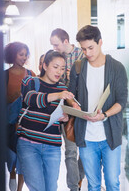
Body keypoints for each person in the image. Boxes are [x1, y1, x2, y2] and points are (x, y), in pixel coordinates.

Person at [68, 25, 128, 191]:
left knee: (112, 183)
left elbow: (122, 101)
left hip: (110, 136)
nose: (87, 53)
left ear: (100, 42)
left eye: (91, 48)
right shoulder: (78, 68)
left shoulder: (117, 68)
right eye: (83, 49)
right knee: (93, 185)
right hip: (86, 137)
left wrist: (105, 115)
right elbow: (70, 95)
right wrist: (73, 105)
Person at [16, 50, 79, 191]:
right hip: (28, 144)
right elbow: (31, 99)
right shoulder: (30, 81)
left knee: (51, 188)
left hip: (52, 146)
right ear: (45, 66)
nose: (59, 72)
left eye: (62, 68)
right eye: (55, 67)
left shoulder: (63, 88)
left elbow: (63, 115)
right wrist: (58, 95)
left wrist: (65, 117)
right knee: (38, 188)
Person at [50, 28, 85, 191]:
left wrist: (77, 77)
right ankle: (73, 187)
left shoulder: (82, 55)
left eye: (56, 45)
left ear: (65, 41)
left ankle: (78, 178)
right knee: (71, 152)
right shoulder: (56, 59)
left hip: (84, 109)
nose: (54, 48)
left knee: (85, 151)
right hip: (66, 109)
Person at [4, 42, 36, 191]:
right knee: (12, 155)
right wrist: (14, 97)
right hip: (9, 124)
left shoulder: (31, 75)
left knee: (24, 156)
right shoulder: (4, 75)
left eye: (25, 54)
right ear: (12, 55)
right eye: (20, 54)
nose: (24, 58)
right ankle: (11, 176)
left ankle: (19, 188)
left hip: (26, 123)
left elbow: (37, 98)